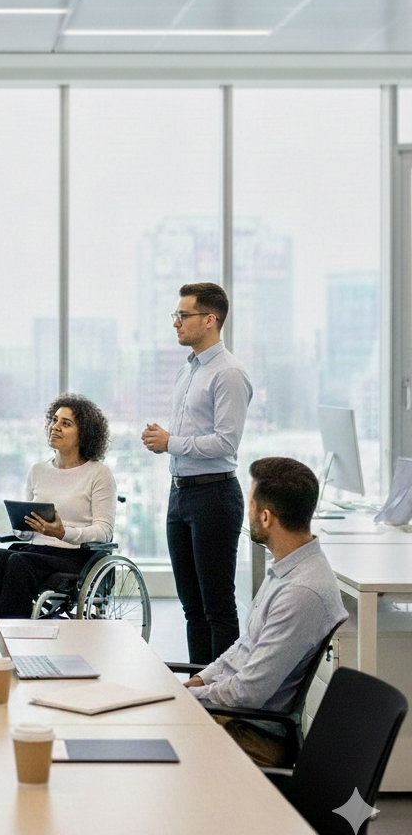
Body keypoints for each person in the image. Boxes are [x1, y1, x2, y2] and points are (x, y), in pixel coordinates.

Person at [183, 456, 347, 767]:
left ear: (267, 517)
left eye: (251, 506)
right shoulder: (288, 568)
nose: (249, 514)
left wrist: (185, 699)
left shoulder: (301, 593)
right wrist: (200, 680)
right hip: (232, 717)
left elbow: (248, 693)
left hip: (250, 734)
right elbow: (243, 648)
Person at [141, 282, 252, 664]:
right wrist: (168, 443)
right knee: (191, 607)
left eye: (183, 316)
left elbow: (225, 443)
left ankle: (227, 704)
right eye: (176, 316)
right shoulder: (187, 371)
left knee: (217, 607)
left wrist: (170, 442)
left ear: (210, 319)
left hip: (214, 496)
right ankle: (201, 693)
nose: (176, 323)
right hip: (181, 494)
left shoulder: (229, 374)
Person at [0, 394, 117, 618]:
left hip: (75, 556)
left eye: (66, 423)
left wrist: (64, 533)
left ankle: (10, 631)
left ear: (84, 434)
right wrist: (23, 525)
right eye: (54, 420)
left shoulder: (99, 474)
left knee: (18, 562)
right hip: (36, 551)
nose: (55, 427)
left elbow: (104, 532)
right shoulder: (38, 471)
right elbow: (25, 534)